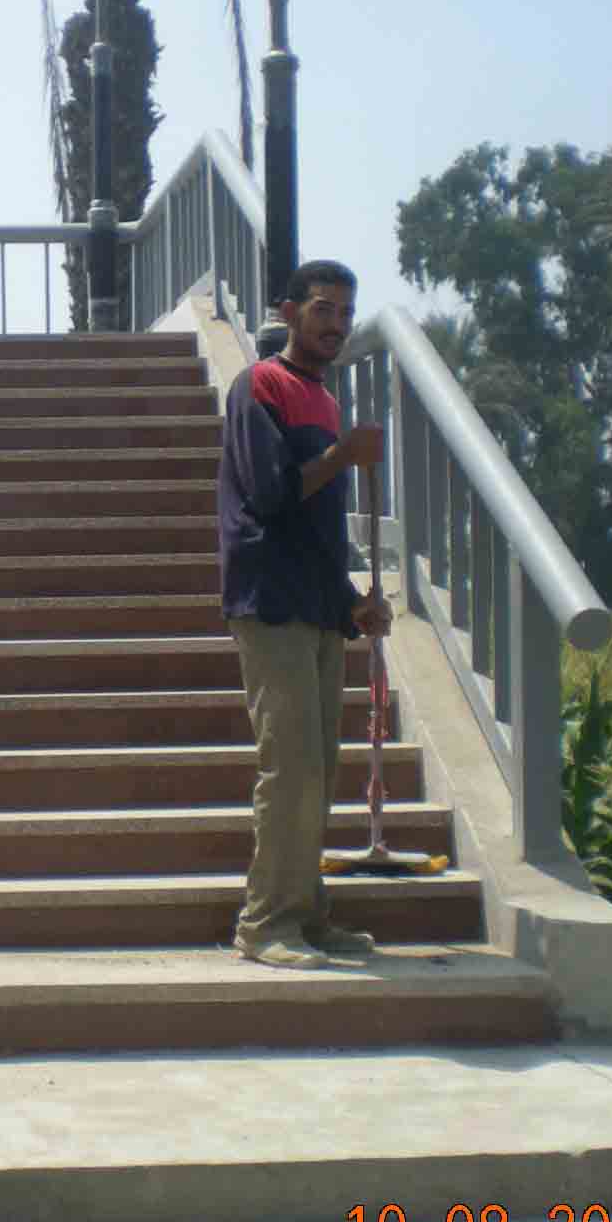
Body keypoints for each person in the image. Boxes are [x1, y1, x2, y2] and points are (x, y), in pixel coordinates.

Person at [217, 259, 391, 969]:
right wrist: (342, 456)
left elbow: (319, 531)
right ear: (288, 313)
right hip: (270, 598)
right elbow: (268, 495)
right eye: (323, 309)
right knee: (289, 768)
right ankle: (265, 925)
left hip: (317, 604)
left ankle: (307, 915)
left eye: (346, 313)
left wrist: (354, 603)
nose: (336, 325)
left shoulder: (324, 401)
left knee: (317, 770)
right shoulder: (260, 385)